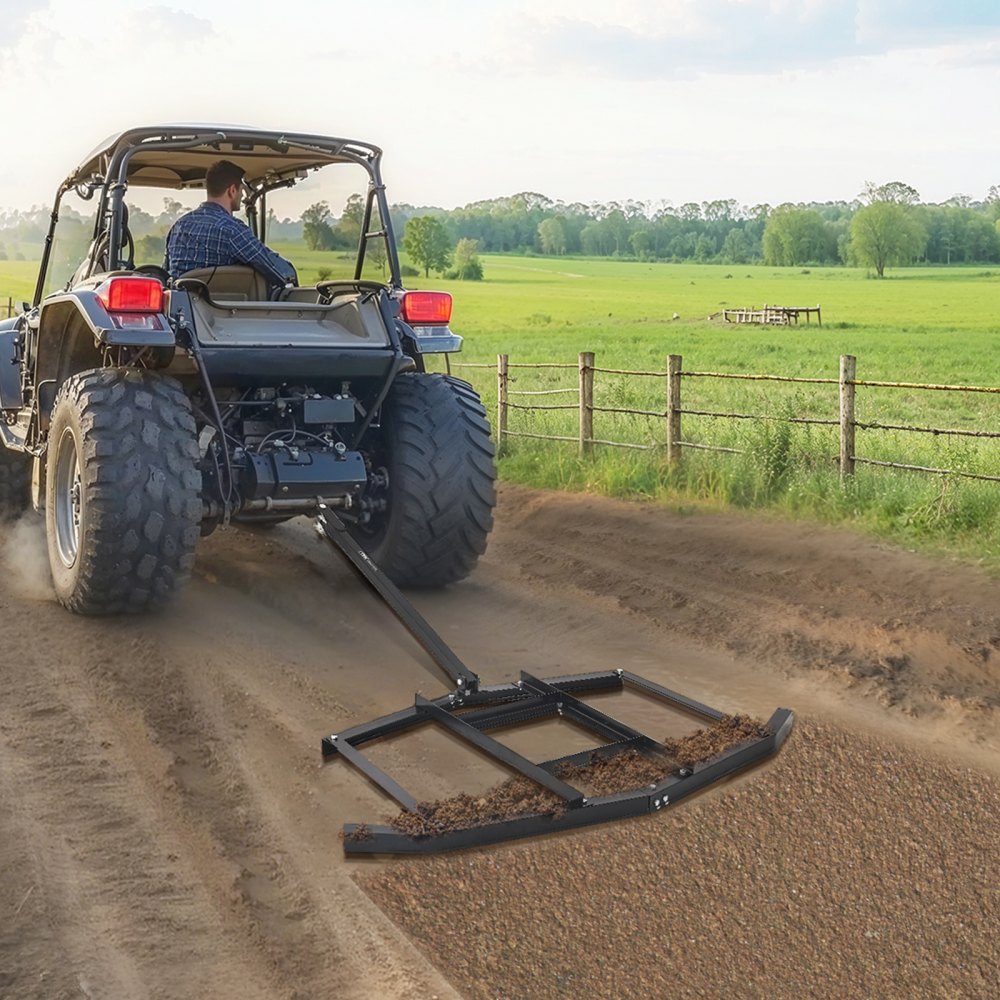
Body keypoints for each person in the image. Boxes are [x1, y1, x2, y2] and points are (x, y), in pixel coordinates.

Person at [165, 159, 296, 291]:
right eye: (241, 191)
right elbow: (276, 270)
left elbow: (167, 271)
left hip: (182, 309)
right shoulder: (232, 230)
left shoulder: (178, 227)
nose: (241, 196)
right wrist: (291, 273)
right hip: (226, 309)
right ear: (232, 191)